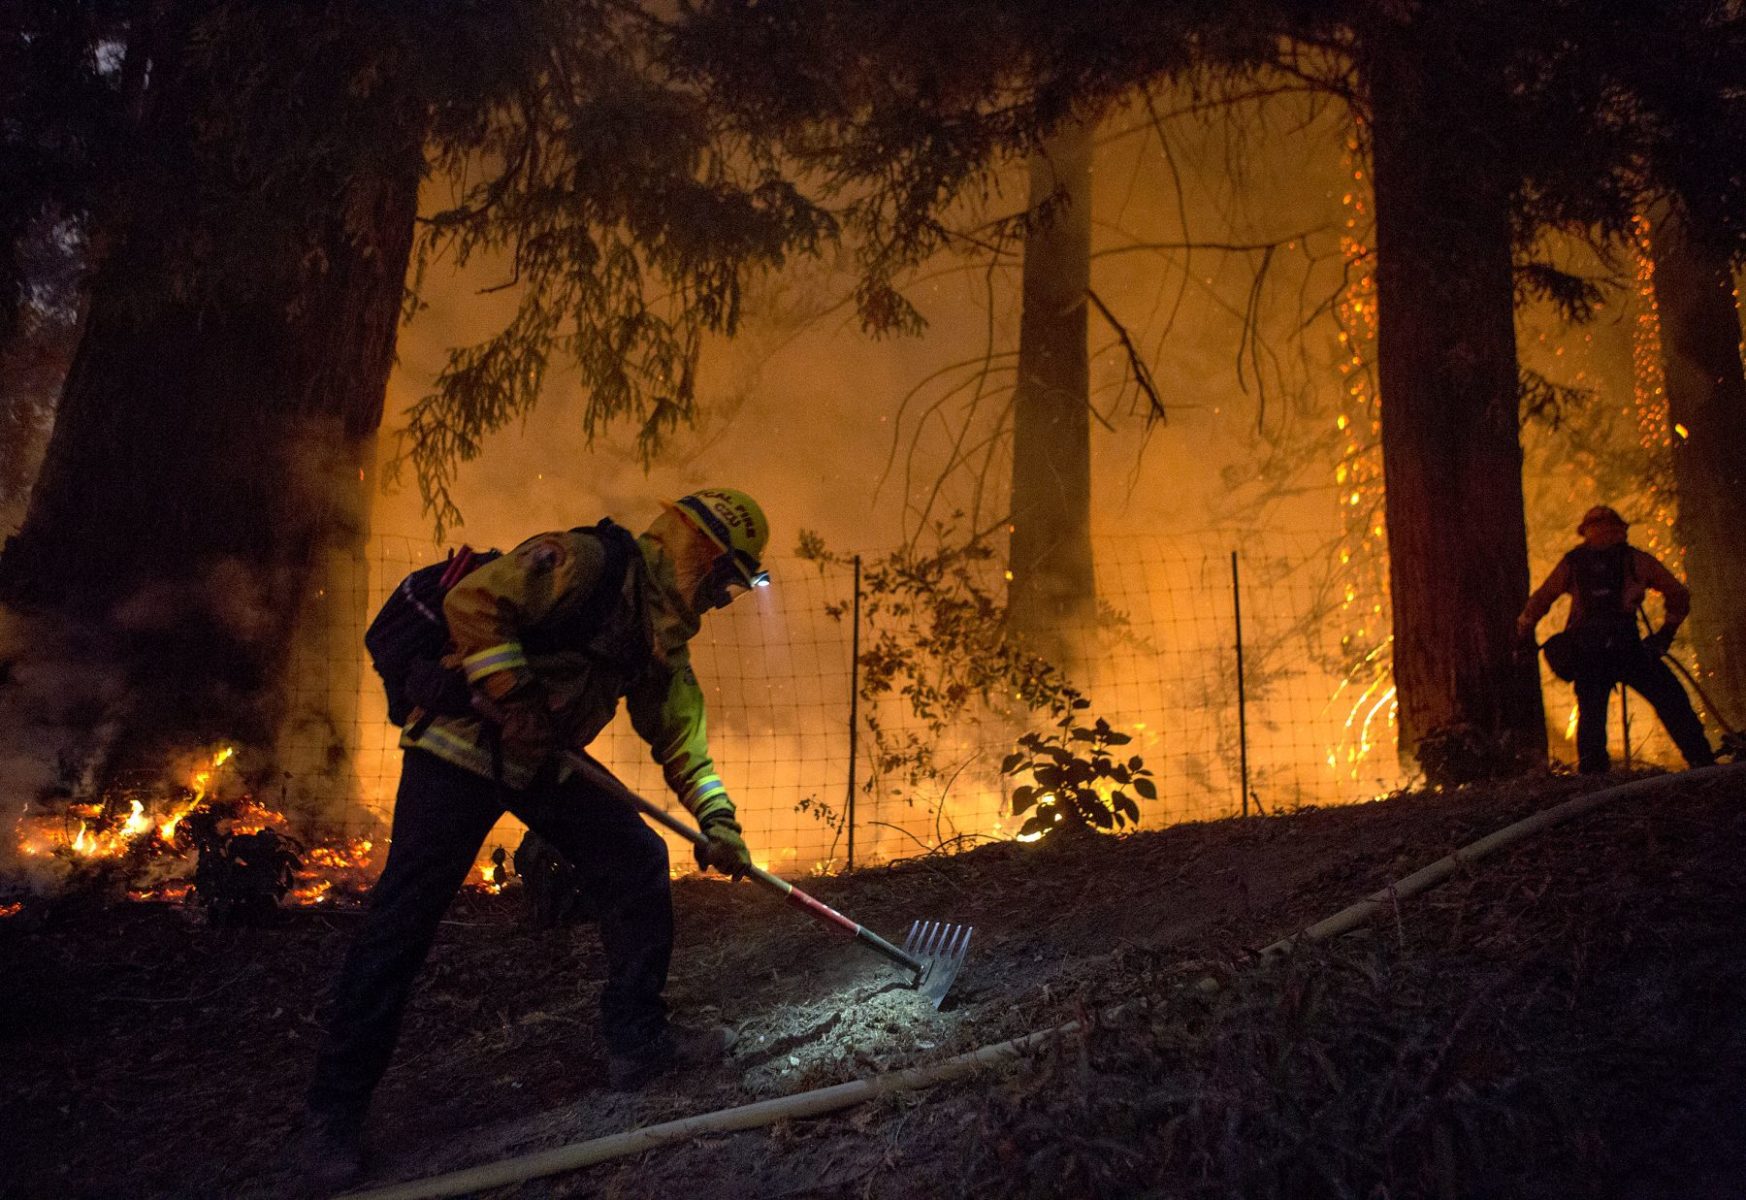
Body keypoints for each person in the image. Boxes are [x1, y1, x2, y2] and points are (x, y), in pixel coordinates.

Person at [302, 488, 770, 1190]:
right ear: (696, 550)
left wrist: (720, 824)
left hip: (543, 761)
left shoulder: (658, 636)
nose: (725, 598)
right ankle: (330, 1120)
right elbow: (476, 604)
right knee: (402, 923)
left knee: (637, 859)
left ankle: (637, 1041)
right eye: (727, 579)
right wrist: (516, 698)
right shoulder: (585, 564)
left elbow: (682, 741)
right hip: (459, 750)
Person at [1516, 504, 1716, 775]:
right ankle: (1702, 762)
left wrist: (1524, 634)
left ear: (1585, 532)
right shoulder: (1635, 560)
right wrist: (1664, 635)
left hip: (1588, 652)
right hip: (1628, 648)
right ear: (1621, 529)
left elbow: (1540, 600)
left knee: (1591, 715)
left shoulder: (1573, 563)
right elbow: (1678, 593)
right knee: (1671, 699)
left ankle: (1593, 779)